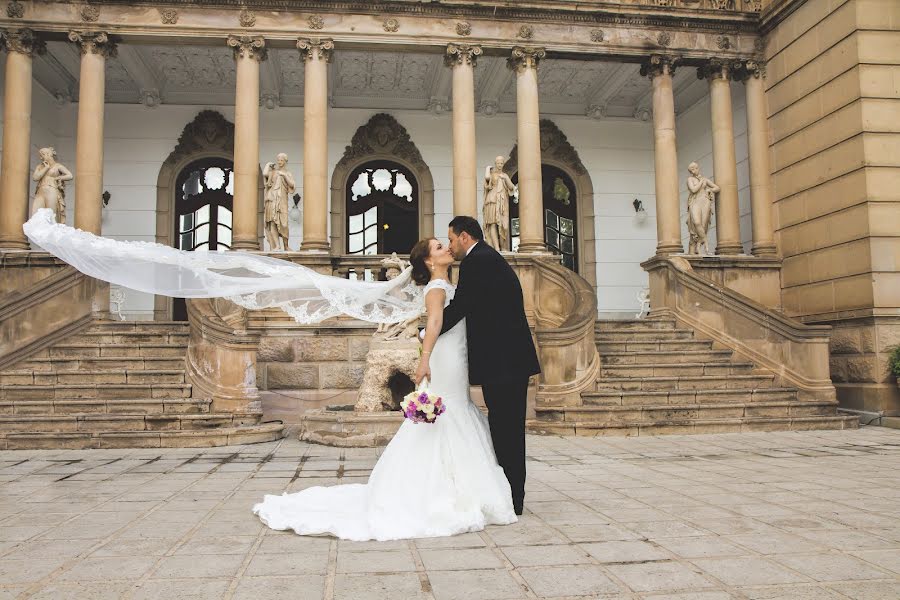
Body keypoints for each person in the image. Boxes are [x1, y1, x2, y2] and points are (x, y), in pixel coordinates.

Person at [251, 237, 518, 540]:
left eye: (445, 244)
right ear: (430, 261)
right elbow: (432, 326)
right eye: (439, 247)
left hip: (456, 355)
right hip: (443, 358)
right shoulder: (436, 289)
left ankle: (458, 484)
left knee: (457, 408)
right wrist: (424, 359)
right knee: (447, 410)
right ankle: (432, 488)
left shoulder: (450, 285)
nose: (447, 248)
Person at [439, 216, 541, 516]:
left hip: (504, 364)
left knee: (507, 431)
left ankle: (513, 498)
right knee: (505, 429)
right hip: (506, 362)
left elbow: (461, 305)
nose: (450, 246)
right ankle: (510, 494)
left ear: (465, 237)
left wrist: (427, 331)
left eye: (451, 239)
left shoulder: (477, 261)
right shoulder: (486, 258)